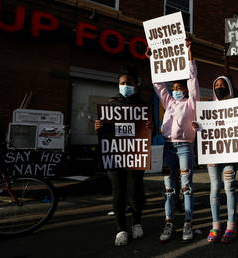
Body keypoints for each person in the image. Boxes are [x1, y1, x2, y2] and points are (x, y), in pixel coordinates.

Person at [94, 65, 151, 246]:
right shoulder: (111, 105)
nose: (125, 85)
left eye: (128, 83)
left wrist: (150, 128)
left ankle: (137, 222)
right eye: (122, 83)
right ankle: (120, 229)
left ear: (136, 85)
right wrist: (99, 128)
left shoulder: (143, 106)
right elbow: (106, 133)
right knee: (118, 191)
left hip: (135, 154)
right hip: (116, 155)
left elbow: (148, 131)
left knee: (135, 190)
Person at [151, 39, 199, 243]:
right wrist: (154, 59)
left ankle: (188, 222)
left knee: (186, 186)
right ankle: (169, 221)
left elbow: (193, 78)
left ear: (186, 90)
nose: (175, 89)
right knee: (169, 187)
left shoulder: (191, 102)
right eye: (174, 87)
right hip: (168, 147)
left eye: (179, 87)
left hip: (185, 148)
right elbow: (157, 85)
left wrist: (189, 54)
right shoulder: (168, 102)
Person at [195, 75, 238, 244]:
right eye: (217, 85)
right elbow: (204, 127)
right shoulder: (208, 107)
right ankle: (216, 225)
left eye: (223, 85)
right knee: (214, 188)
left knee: (229, 187)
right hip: (213, 154)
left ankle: (231, 225)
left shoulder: (236, 105)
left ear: (228, 86)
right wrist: (198, 126)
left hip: (230, 154)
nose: (219, 87)